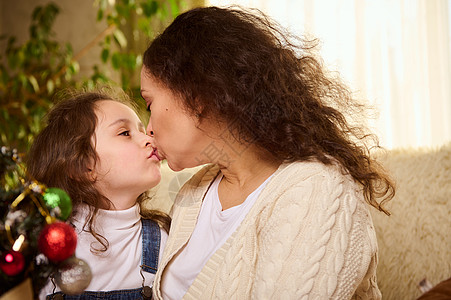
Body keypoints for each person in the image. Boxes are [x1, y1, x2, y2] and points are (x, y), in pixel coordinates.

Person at [140, 6, 395, 300]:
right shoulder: (194, 191)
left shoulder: (318, 192)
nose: (148, 128)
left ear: (197, 97)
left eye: (150, 104)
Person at [26, 88, 170, 299]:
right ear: (83, 167)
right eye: (125, 133)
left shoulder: (166, 241)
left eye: (143, 130)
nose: (150, 139)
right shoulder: (43, 248)